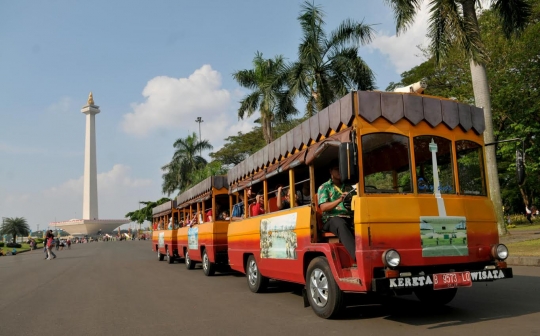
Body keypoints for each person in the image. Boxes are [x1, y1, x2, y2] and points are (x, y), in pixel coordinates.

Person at [318, 159, 356, 262]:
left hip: (350, 217)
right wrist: (340, 199)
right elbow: (323, 207)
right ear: (331, 171)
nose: (339, 171)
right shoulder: (324, 187)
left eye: (341, 169)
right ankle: (357, 257)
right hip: (331, 220)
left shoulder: (348, 187)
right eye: (336, 169)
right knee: (340, 223)